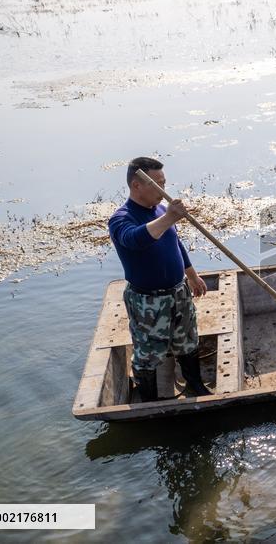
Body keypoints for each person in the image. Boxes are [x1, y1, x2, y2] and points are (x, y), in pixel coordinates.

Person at [108, 157, 211, 401]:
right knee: (148, 354)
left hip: (178, 292)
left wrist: (192, 275)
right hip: (148, 301)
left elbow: (175, 243)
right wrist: (169, 219)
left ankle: (195, 386)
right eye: (157, 184)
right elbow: (135, 239)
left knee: (187, 341)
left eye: (164, 183)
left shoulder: (161, 209)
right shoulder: (121, 218)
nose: (163, 191)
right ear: (137, 185)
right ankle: (149, 401)